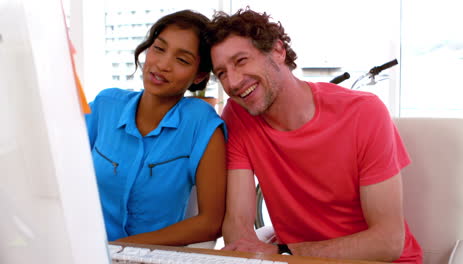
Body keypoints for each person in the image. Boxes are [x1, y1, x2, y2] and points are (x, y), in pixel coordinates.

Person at [207, 8, 422, 263]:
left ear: (277, 51)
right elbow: (237, 221)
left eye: (241, 61)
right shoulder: (239, 114)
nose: (232, 82)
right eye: (221, 73)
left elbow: (388, 241)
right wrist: (246, 252)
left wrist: (282, 251)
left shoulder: (364, 112)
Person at [85, 10, 226, 246]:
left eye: (182, 60)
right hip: (84, 251)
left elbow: (211, 222)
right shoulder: (105, 105)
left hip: (151, 257)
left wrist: (119, 250)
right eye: (159, 49)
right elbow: (59, 172)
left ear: (199, 75)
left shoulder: (201, 122)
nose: (162, 65)